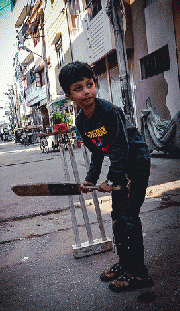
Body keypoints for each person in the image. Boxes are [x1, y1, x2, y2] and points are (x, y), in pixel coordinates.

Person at [59, 61, 153, 292]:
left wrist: (110, 180)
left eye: (89, 85)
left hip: (136, 162)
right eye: (78, 88)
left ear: (95, 84)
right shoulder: (81, 121)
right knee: (118, 218)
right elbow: (98, 152)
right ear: (69, 95)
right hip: (121, 167)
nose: (86, 92)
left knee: (129, 218)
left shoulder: (110, 112)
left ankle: (139, 274)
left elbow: (120, 147)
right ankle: (125, 263)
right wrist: (91, 180)